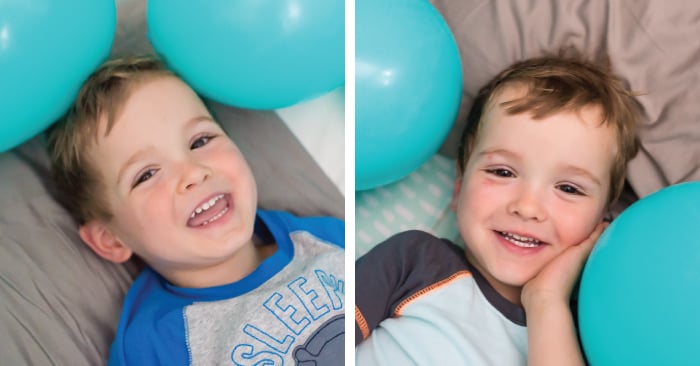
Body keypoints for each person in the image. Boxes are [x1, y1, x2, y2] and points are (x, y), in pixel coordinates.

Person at [47, 55, 345, 366]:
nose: (193, 172)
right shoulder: (152, 345)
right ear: (111, 239)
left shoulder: (324, 238)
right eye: (147, 174)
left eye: (200, 140)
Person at [355, 54, 640, 365]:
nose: (527, 207)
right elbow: (316, 336)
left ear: (601, 223)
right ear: (459, 187)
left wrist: (546, 301)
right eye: (503, 172)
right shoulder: (415, 261)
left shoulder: (584, 339)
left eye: (568, 188)